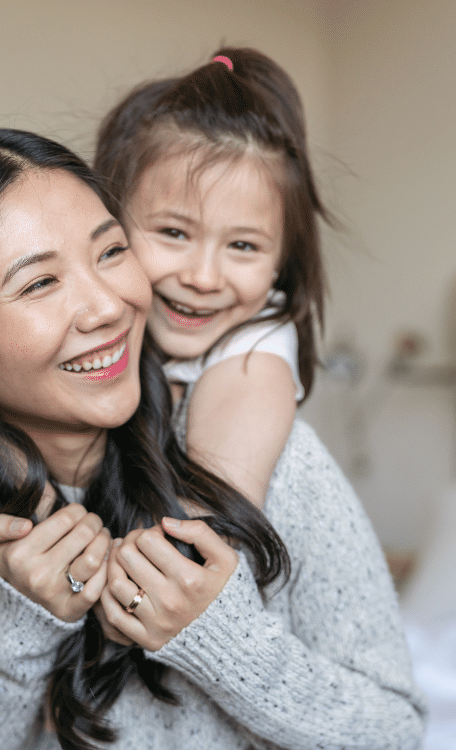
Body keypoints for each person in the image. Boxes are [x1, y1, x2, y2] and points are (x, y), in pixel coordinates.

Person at [0, 127, 425, 750]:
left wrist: (220, 638)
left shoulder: (268, 454)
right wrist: (18, 623)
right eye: (41, 282)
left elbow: (392, 742)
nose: (106, 305)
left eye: (110, 252)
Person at [93, 47, 327, 507]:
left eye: (242, 246)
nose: (203, 278)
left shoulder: (256, 354)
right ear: (110, 222)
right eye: (174, 233)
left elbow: (203, 536)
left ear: (282, 260)